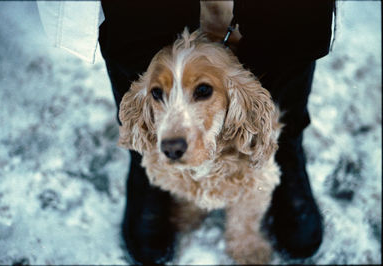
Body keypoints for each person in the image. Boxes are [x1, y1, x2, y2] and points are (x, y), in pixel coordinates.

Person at [38, 0, 335, 264]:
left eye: (202, 90)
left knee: (289, 21)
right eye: (158, 94)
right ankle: (145, 163)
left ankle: (284, 147)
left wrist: (243, 235)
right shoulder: (147, 111)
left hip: (262, 101)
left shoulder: (244, 99)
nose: (173, 134)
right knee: (140, 24)